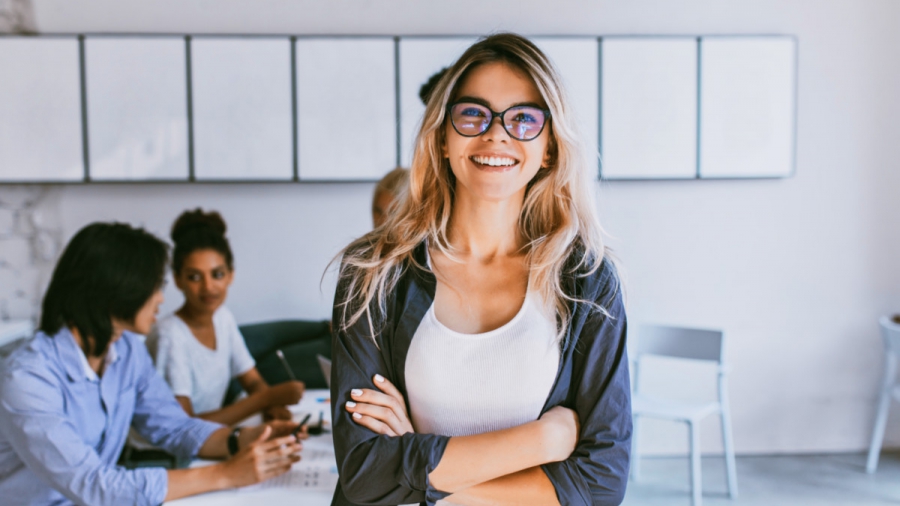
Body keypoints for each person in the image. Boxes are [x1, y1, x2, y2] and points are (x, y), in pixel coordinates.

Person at [330, 33, 630, 506]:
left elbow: (602, 482)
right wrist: (543, 441)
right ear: (443, 138)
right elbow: (366, 475)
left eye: (524, 119)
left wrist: (422, 473)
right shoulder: (374, 273)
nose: (496, 135)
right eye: (473, 113)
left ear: (549, 147)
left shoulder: (587, 282)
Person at [0, 222, 304, 505]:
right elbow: (94, 485)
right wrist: (226, 473)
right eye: (154, 286)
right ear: (115, 290)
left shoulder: (128, 350)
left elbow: (174, 426)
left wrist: (240, 440)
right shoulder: (27, 379)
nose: (160, 299)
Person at [147, 209, 306, 426]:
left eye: (217, 274)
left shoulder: (222, 318)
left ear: (231, 274)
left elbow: (252, 381)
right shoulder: (170, 335)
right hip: (169, 455)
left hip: (208, 441)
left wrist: (272, 407)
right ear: (177, 280)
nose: (208, 287)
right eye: (194, 277)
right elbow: (182, 427)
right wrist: (266, 398)